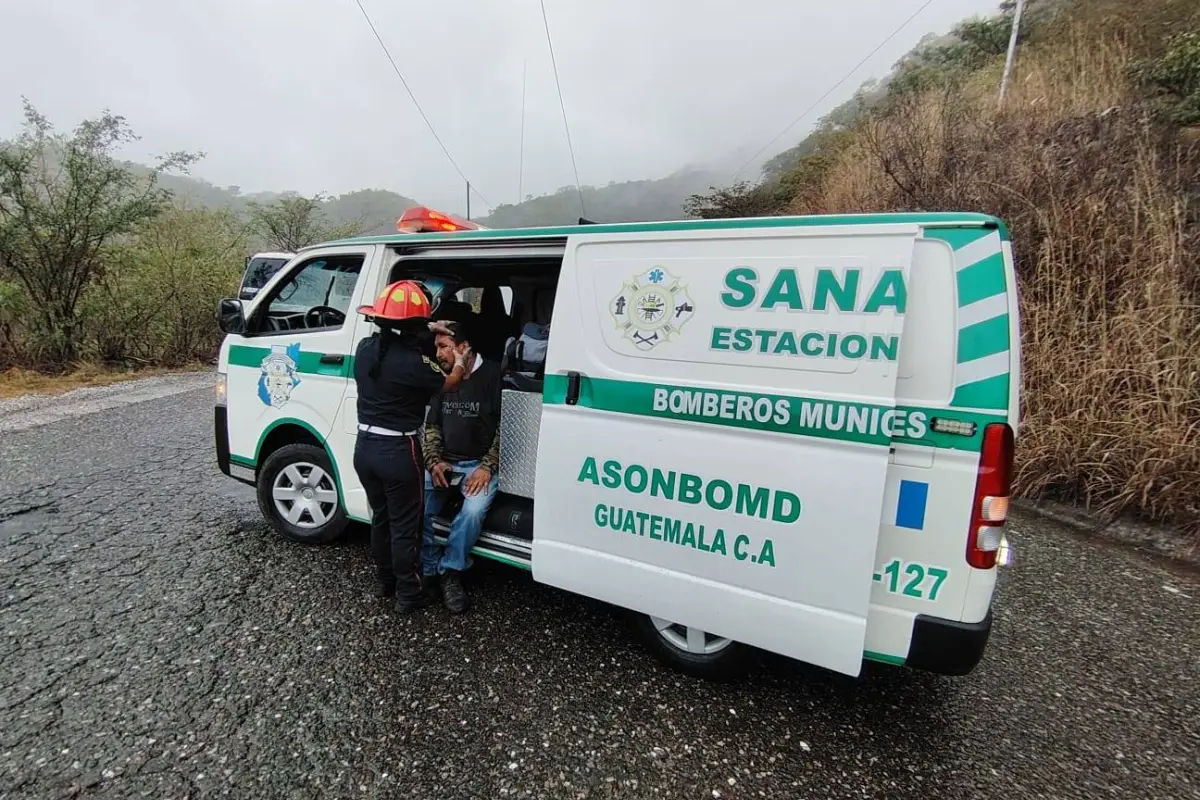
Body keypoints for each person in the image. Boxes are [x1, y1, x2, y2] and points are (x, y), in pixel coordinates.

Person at [352, 280, 473, 614]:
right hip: (397, 452)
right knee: (406, 525)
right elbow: (450, 382)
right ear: (415, 326)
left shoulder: (366, 349)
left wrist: (425, 326)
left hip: (364, 448)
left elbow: (404, 337)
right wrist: (460, 359)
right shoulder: (414, 364)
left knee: (381, 518)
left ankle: (384, 581)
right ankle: (409, 594)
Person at [421, 318, 503, 613]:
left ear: (464, 348)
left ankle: (451, 571)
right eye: (436, 347)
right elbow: (431, 429)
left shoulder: (493, 375)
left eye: (444, 347)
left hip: (478, 466)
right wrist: (433, 463)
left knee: (472, 512)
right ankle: (428, 570)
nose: (438, 354)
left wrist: (487, 467)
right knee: (417, 507)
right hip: (446, 464)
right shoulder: (441, 377)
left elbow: (506, 428)